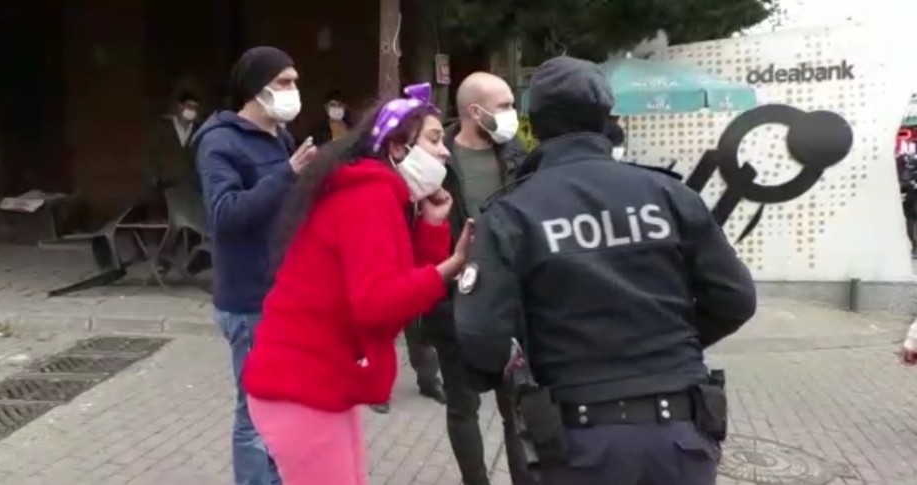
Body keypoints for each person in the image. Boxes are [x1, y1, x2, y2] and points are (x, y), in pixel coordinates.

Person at [454, 56, 757, 484]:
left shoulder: (512, 214)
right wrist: (671, 340)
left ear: (534, 126)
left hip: (578, 439)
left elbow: (479, 335)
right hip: (679, 434)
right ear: (606, 120)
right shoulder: (669, 194)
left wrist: (523, 365)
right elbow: (736, 299)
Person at [243, 83, 475, 485]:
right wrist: (447, 270)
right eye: (435, 139)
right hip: (300, 383)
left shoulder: (377, 193)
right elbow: (378, 302)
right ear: (398, 147)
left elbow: (398, 285)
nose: (445, 151)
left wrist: (432, 231)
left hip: (317, 381)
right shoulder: (368, 196)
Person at [193, 46, 316, 485]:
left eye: (295, 81)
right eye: (283, 83)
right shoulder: (219, 142)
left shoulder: (279, 136)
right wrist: (287, 173)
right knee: (255, 413)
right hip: (249, 301)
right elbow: (226, 216)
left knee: (283, 406)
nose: (293, 91)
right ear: (255, 89)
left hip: (285, 294)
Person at [420, 72, 534, 485]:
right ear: (475, 111)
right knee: (462, 405)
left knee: (518, 404)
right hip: (456, 298)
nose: (511, 114)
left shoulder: (517, 154)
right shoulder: (436, 157)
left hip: (511, 300)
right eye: (504, 106)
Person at [147, 91, 203, 193]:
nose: (192, 110)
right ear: (180, 106)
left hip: (189, 187)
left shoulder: (197, 130)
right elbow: (151, 153)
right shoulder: (163, 127)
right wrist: (154, 179)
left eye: (195, 108)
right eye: (189, 106)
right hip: (166, 185)